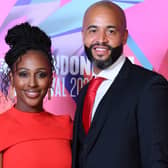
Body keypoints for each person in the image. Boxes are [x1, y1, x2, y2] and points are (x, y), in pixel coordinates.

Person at [72, 1, 168, 168]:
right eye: (93, 30)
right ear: (83, 35)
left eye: (111, 31)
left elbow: (157, 161)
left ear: (124, 36)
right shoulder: (85, 93)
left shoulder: (149, 87)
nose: (101, 39)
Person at [0, 22, 72, 168]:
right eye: (23, 74)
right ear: (12, 79)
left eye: (41, 74)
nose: (32, 83)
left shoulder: (67, 125)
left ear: (50, 79)